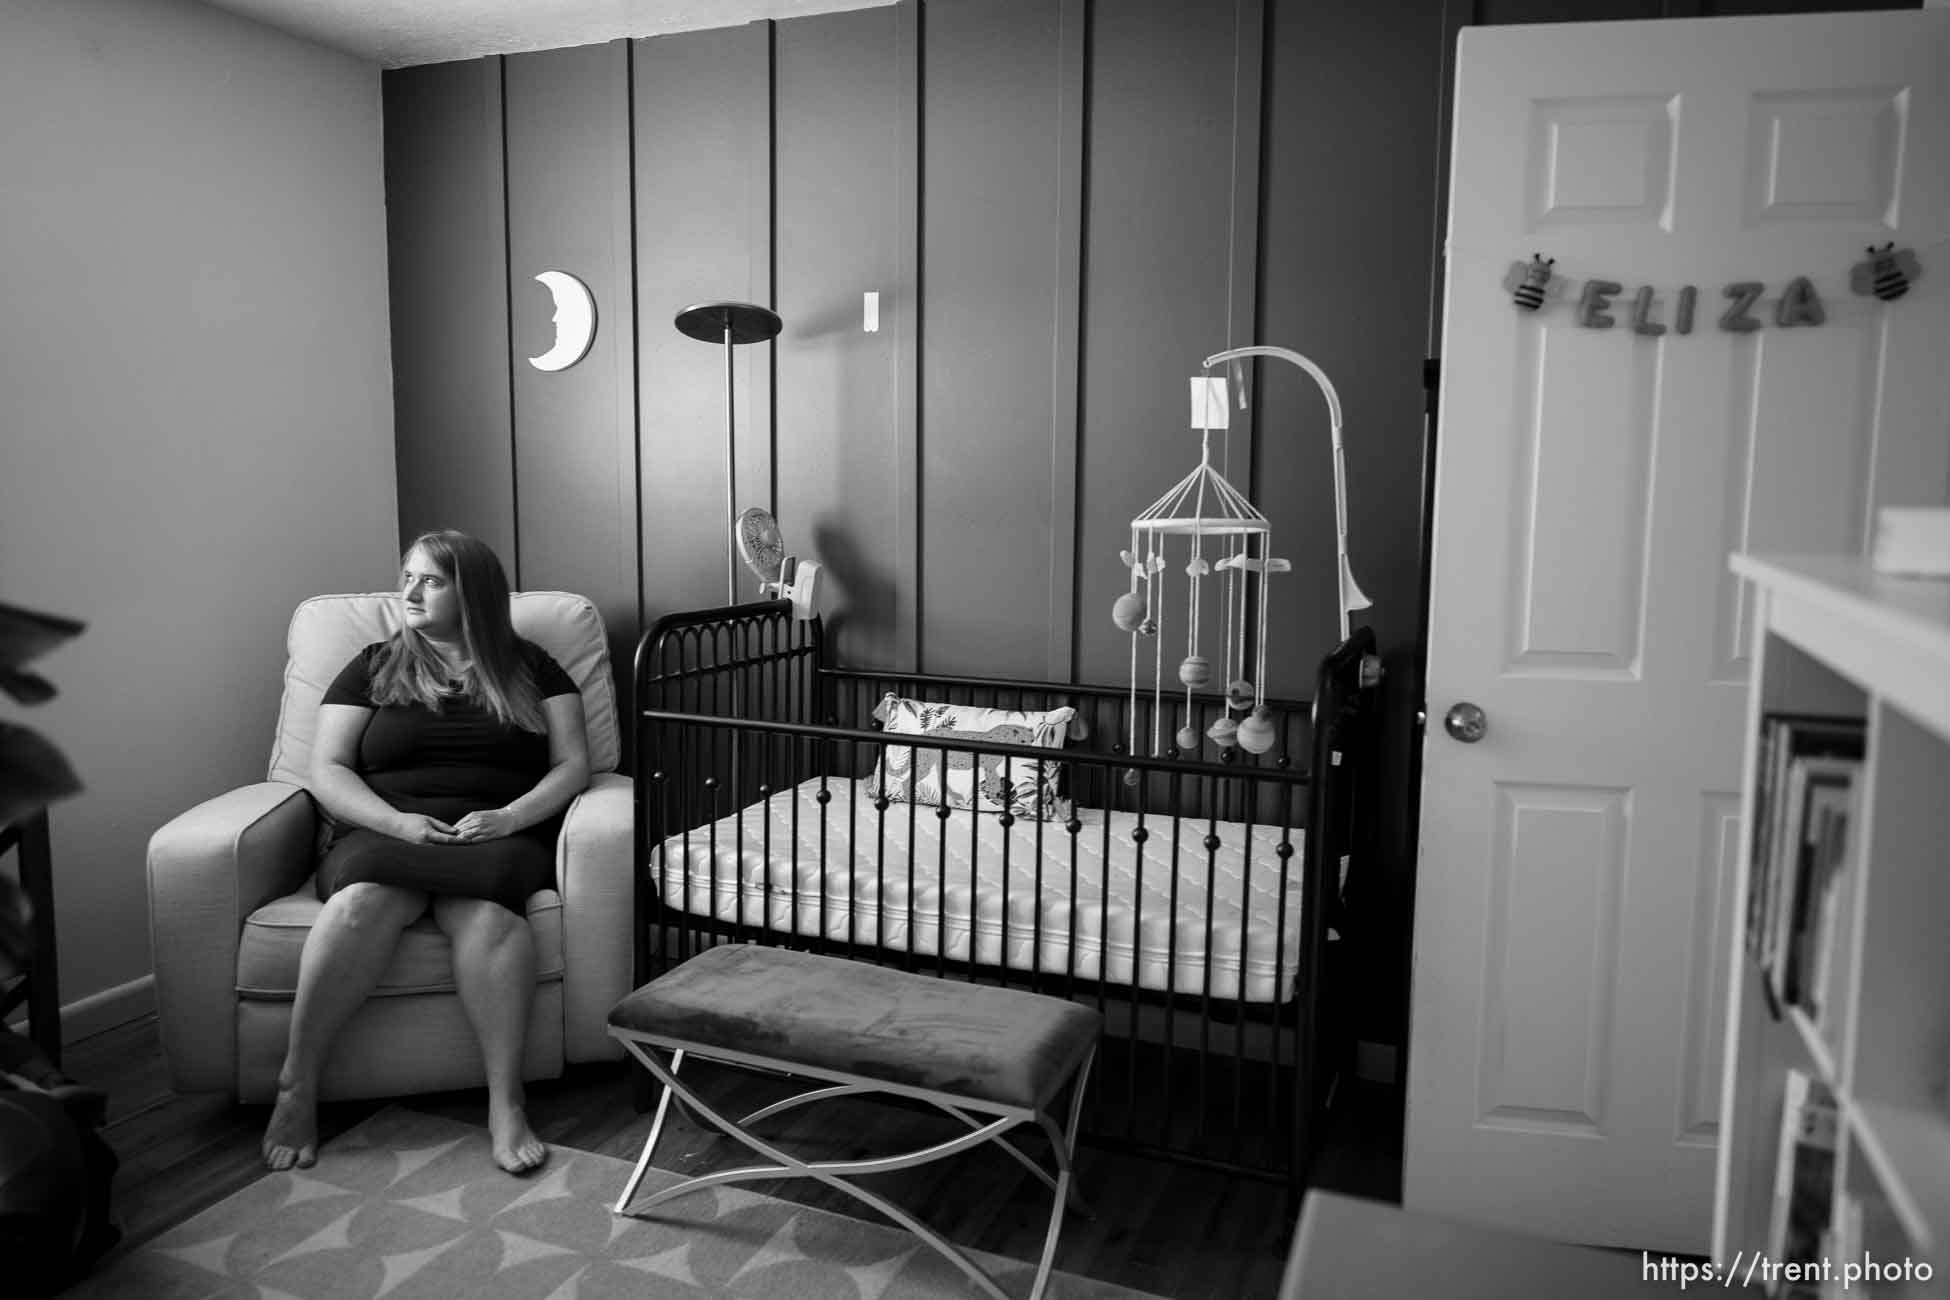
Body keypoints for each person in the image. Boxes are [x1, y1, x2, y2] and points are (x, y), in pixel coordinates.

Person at [260, 530, 591, 1176]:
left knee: (491, 916)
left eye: (430, 580)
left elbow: (572, 765)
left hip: (499, 837)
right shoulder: (373, 664)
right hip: (381, 835)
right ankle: (296, 1085)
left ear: (473, 591)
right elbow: (326, 768)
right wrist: (397, 824)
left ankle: (506, 1102)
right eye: (407, 576)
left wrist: (508, 818)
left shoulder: (533, 667)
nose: (409, 591)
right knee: (359, 902)